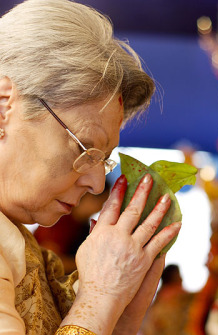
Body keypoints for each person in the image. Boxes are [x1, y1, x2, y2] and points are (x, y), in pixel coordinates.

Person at [0, 1, 182, 334]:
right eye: (85, 147)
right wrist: (100, 297)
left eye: (103, 158)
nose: (98, 183)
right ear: (4, 106)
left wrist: (124, 312)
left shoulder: (25, 248)